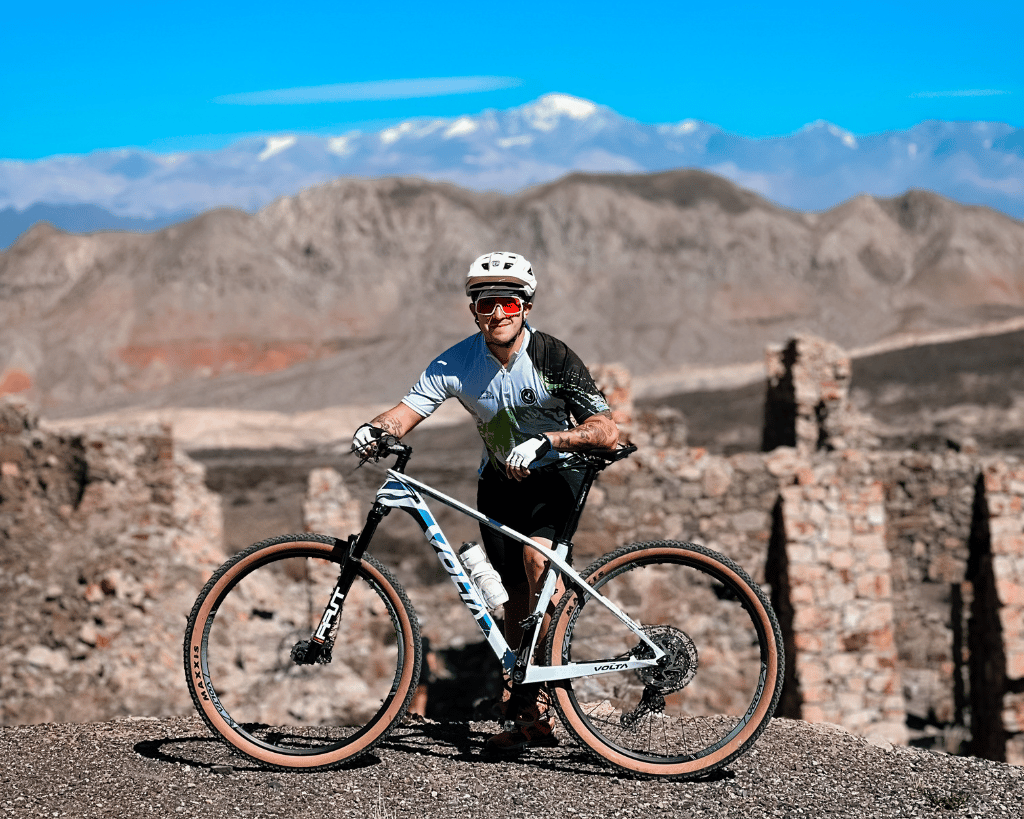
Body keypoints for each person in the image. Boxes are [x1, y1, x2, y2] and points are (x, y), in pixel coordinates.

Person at [351, 251, 619, 753]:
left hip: (556, 477)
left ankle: (557, 691)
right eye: (485, 304)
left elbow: (606, 429)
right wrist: (376, 429)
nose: (497, 313)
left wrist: (550, 442)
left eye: (508, 303)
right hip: (498, 485)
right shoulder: (456, 362)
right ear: (472, 309)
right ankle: (532, 715)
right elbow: (407, 411)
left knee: (537, 561)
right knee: (516, 600)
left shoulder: (554, 358)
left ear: (526, 307)